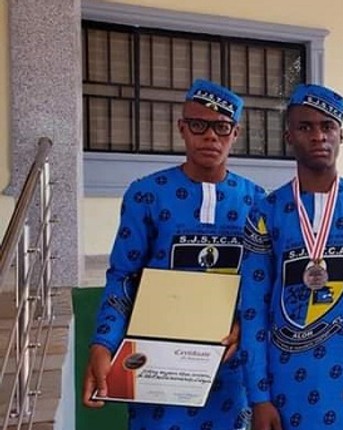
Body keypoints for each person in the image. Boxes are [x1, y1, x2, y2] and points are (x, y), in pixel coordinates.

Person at [83, 79, 263, 430]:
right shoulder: (146, 195)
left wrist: (246, 326)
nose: (210, 136)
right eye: (198, 125)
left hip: (228, 368)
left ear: (235, 133)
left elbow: (261, 284)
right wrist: (102, 345)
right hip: (156, 367)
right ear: (182, 128)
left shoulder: (257, 202)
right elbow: (123, 277)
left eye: (221, 127)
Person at [239, 84, 343, 430]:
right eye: (305, 127)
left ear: (341, 135)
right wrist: (259, 397)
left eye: (328, 127)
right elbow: (252, 309)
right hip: (282, 385)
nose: (318, 136)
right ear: (289, 136)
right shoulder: (266, 212)